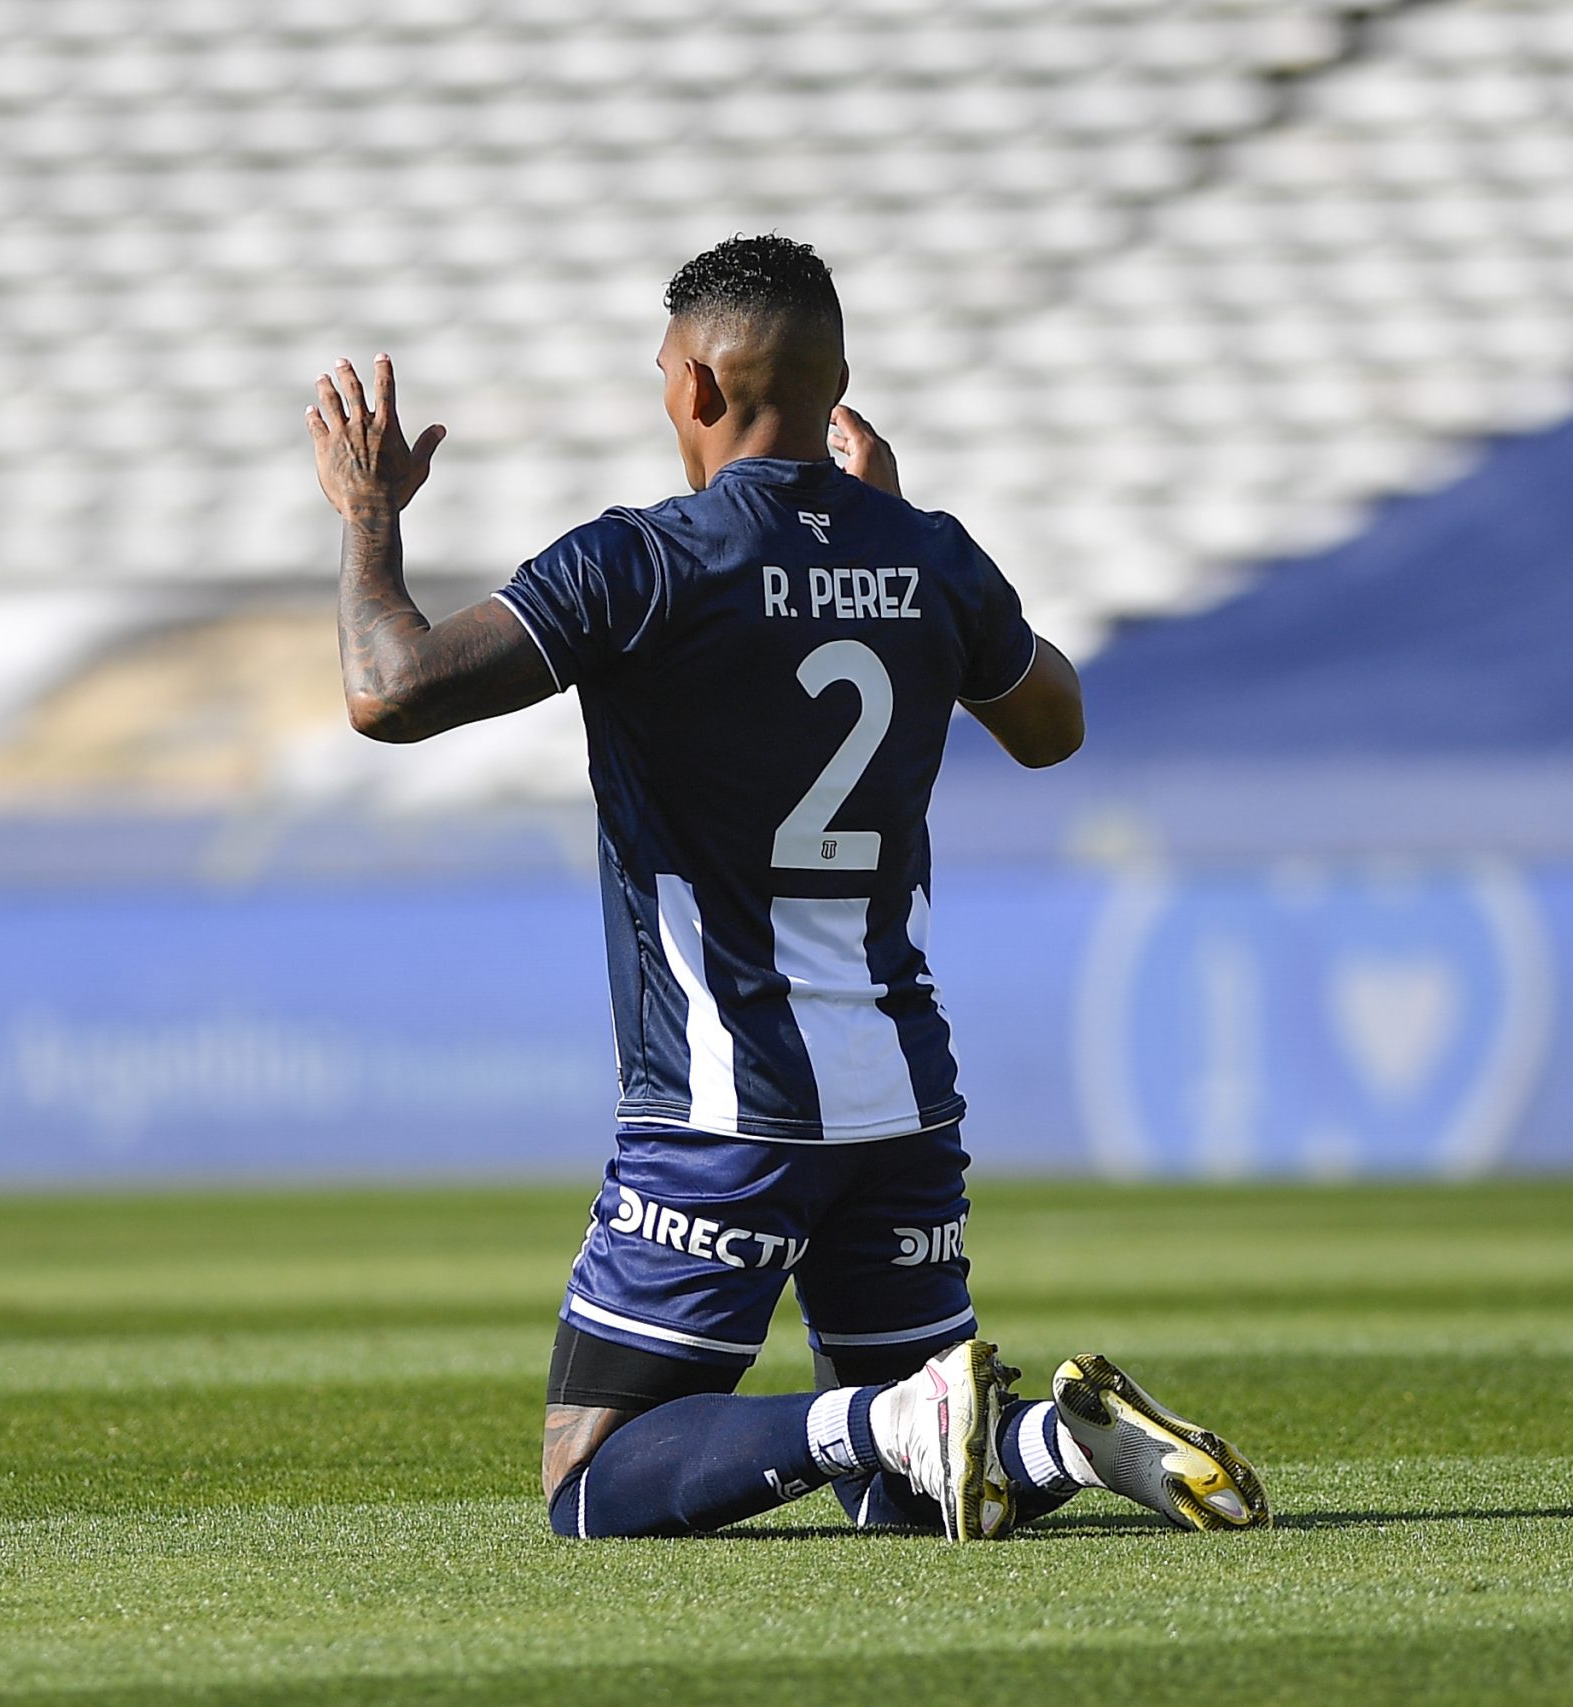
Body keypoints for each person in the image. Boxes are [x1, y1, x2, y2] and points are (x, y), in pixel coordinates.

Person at [306, 235, 1269, 1541]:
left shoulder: (638, 564)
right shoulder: (928, 554)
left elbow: (389, 692)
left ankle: (886, 1415)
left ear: (698, 389)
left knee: (592, 1482)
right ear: (839, 381)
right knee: (913, 1499)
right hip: (902, 1101)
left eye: (663, 380)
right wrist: (898, 545)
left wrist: (368, 521)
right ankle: (1054, 1438)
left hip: (724, 1110)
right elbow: (1055, 724)